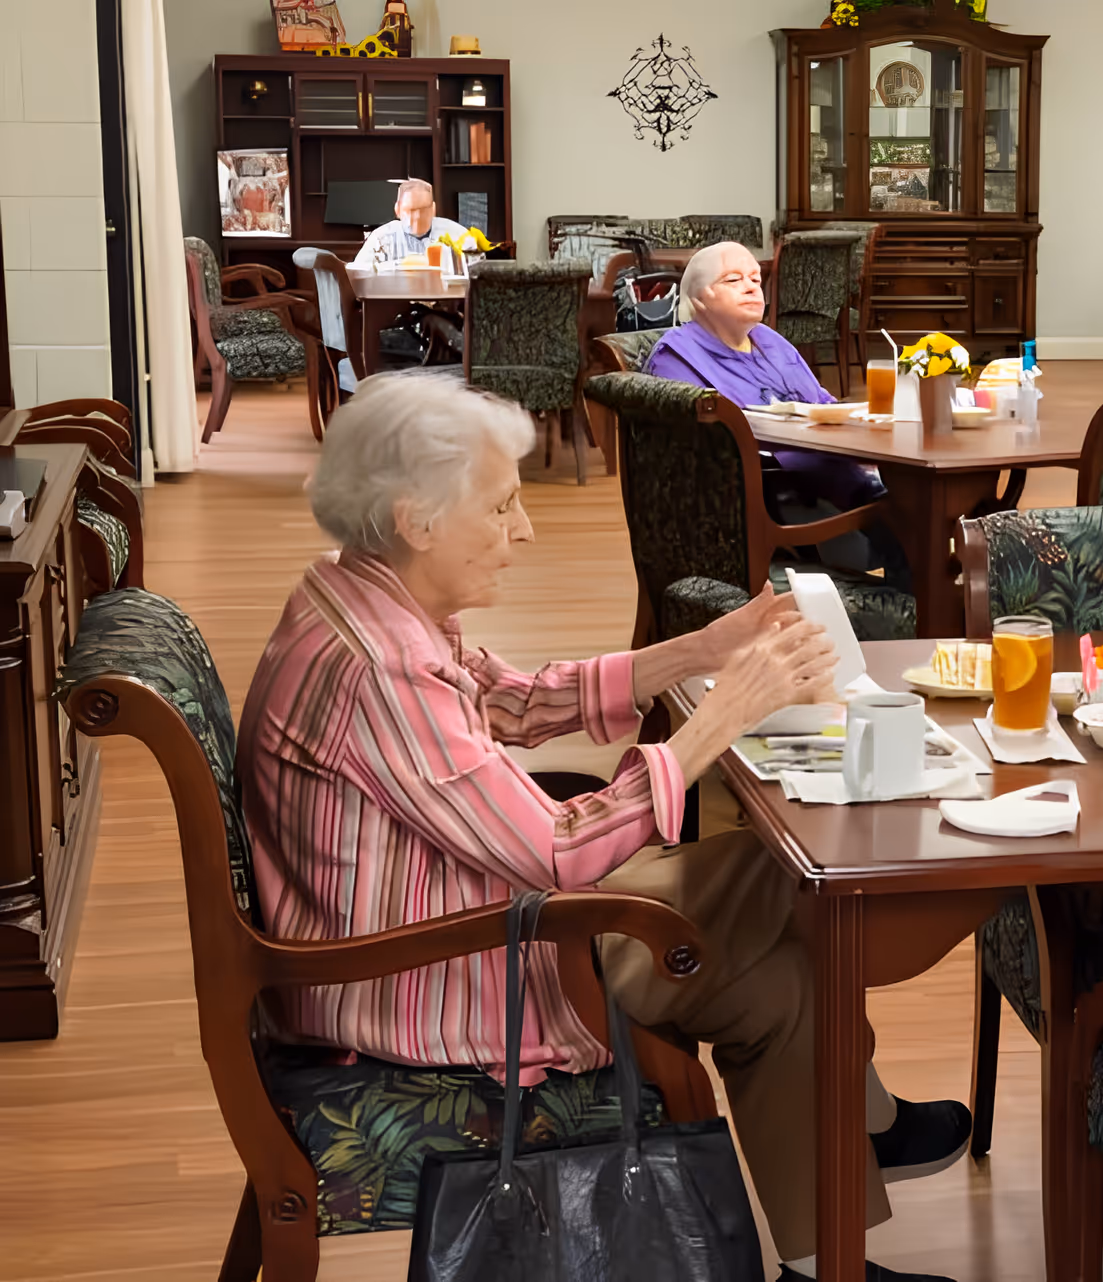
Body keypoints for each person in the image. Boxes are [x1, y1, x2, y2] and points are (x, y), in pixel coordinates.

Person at [242, 374, 967, 1282]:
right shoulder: (382, 667)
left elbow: (514, 701)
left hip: (463, 923)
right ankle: (879, 1088)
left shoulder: (364, 600)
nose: (525, 530)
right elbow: (557, 851)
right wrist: (720, 716)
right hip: (441, 972)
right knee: (797, 876)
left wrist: (702, 650)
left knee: (782, 984)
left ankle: (837, 1236)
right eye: (502, 505)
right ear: (415, 520)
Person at [645, 241, 908, 587]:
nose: (752, 286)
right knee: (912, 519)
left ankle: (922, 619)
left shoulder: (770, 341)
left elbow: (823, 403)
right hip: (775, 499)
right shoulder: (676, 358)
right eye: (733, 279)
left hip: (834, 476)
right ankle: (919, 622)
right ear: (698, 298)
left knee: (922, 507)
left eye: (756, 278)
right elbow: (698, 456)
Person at [351, 177, 469, 267]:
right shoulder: (380, 239)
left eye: (423, 209)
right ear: (398, 210)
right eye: (410, 210)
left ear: (433, 209)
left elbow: (478, 271)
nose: (417, 217)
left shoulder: (457, 235)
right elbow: (359, 274)